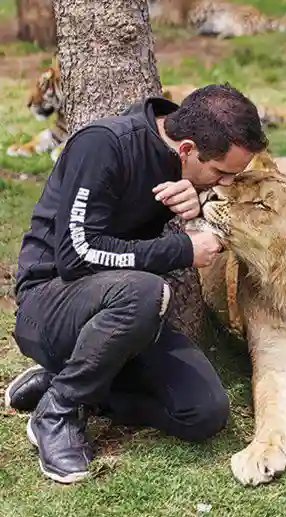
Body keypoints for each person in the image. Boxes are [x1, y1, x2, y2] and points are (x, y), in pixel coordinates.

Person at [4, 83, 267, 484]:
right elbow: (76, 256)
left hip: (122, 315)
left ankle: (69, 378)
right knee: (145, 291)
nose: (224, 184)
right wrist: (181, 249)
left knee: (203, 411)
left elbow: (190, 215)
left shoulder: (188, 161)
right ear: (187, 149)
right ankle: (58, 412)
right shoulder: (104, 146)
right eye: (220, 173)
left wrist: (198, 199)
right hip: (49, 302)